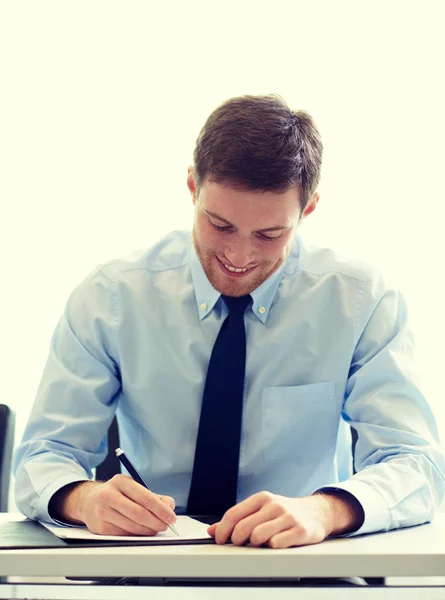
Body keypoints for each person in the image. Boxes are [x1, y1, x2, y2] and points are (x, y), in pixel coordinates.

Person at [13, 95, 445, 557]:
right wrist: (84, 498)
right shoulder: (111, 297)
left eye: (269, 235)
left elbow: (414, 462)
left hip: (303, 565)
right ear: (191, 186)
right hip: (150, 563)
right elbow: (43, 456)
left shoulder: (362, 301)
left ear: (309, 209)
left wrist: (325, 511)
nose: (238, 257)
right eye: (219, 225)